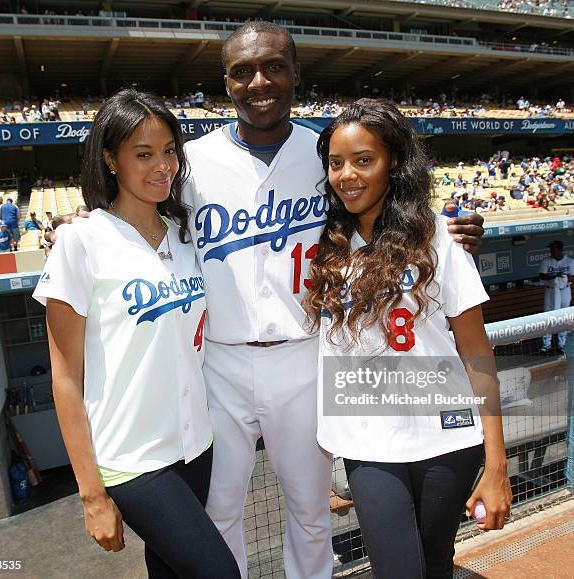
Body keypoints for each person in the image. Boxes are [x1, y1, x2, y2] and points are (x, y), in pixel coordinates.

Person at [182, 21, 485, 579]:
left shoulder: (323, 150)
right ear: (225, 83)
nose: (259, 81)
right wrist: (83, 226)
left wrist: (448, 229)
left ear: (297, 73)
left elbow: (389, 205)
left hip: (304, 354)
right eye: (242, 71)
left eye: (274, 66)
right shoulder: (191, 162)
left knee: (311, 511)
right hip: (218, 361)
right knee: (217, 510)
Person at [32, 89, 240, 579]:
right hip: (132, 459)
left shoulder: (183, 236)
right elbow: (65, 379)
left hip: (195, 446)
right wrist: (91, 493)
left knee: (170, 571)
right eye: (143, 154)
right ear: (110, 159)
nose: (162, 166)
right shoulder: (81, 242)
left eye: (169, 151)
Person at [305, 99, 512, 579]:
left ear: (394, 161)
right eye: (336, 163)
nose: (347, 175)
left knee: (436, 565)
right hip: (367, 440)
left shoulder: (439, 240)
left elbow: (478, 354)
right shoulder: (324, 243)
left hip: (448, 434)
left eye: (363, 160)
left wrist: (497, 464)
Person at [539, 240, 572, 354]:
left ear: (560, 250)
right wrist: (555, 276)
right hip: (551, 291)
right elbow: (542, 275)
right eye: (551, 249)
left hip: (565, 291)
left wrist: (565, 277)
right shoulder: (546, 261)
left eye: (554, 249)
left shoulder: (570, 261)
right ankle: (546, 344)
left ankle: (561, 344)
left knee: (564, 317)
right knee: (548, 316)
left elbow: (573, 277)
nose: (551, 251)